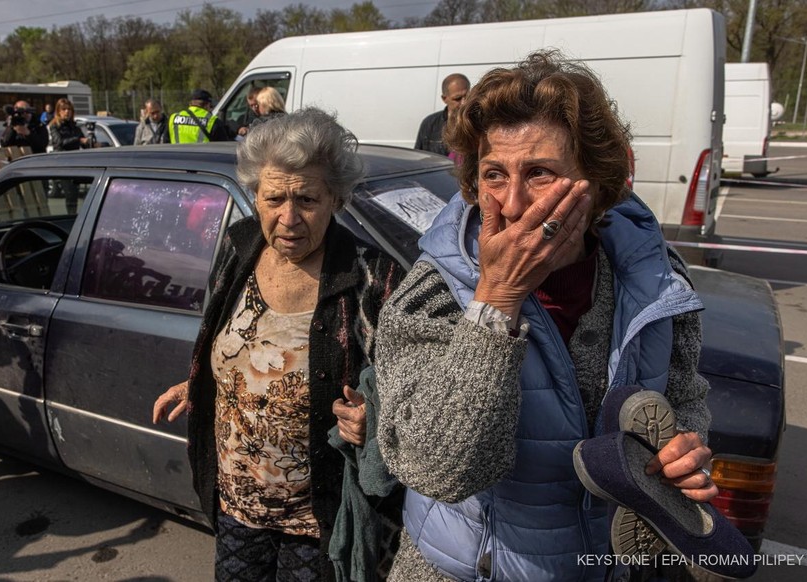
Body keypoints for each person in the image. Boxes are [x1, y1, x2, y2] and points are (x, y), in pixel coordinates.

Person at [375, 50, 715, 581]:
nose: (511, 204)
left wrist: (685, 451)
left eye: (539, 174)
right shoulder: (433, 288)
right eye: (493, 174)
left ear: (598, 182)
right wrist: (497, 299)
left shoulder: (652, 278)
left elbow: (684, 397)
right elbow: (436, 468)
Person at [152, 107, 405, 580]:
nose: (288, 218)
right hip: (235, 506)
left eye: (307, 199)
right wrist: (203, 384)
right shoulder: (239, 247)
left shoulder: (374, 277)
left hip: (318, 517)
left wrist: (374, 418)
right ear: (255, 196)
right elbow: (227, 341)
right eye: (273, 199)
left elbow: (409, 386)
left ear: (336, 198)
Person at [47, 98, 91, 214]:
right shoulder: (54, 126)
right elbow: (59, 143)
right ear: (58, 111)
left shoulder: (75, 127)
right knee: (70, 195)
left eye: (69, 109)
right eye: (64, 109)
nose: (67, 112)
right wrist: (78, 140)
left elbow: (84, 144)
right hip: (63, 164)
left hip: (76, 164)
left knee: (76, 195)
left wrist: (91, 142)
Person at [413, 73, 469, 156]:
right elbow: (417, 156)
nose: (464, 103)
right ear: (444, 99)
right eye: (457, 99)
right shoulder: (430, 123)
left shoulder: (478, 122)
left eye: (468, 96)